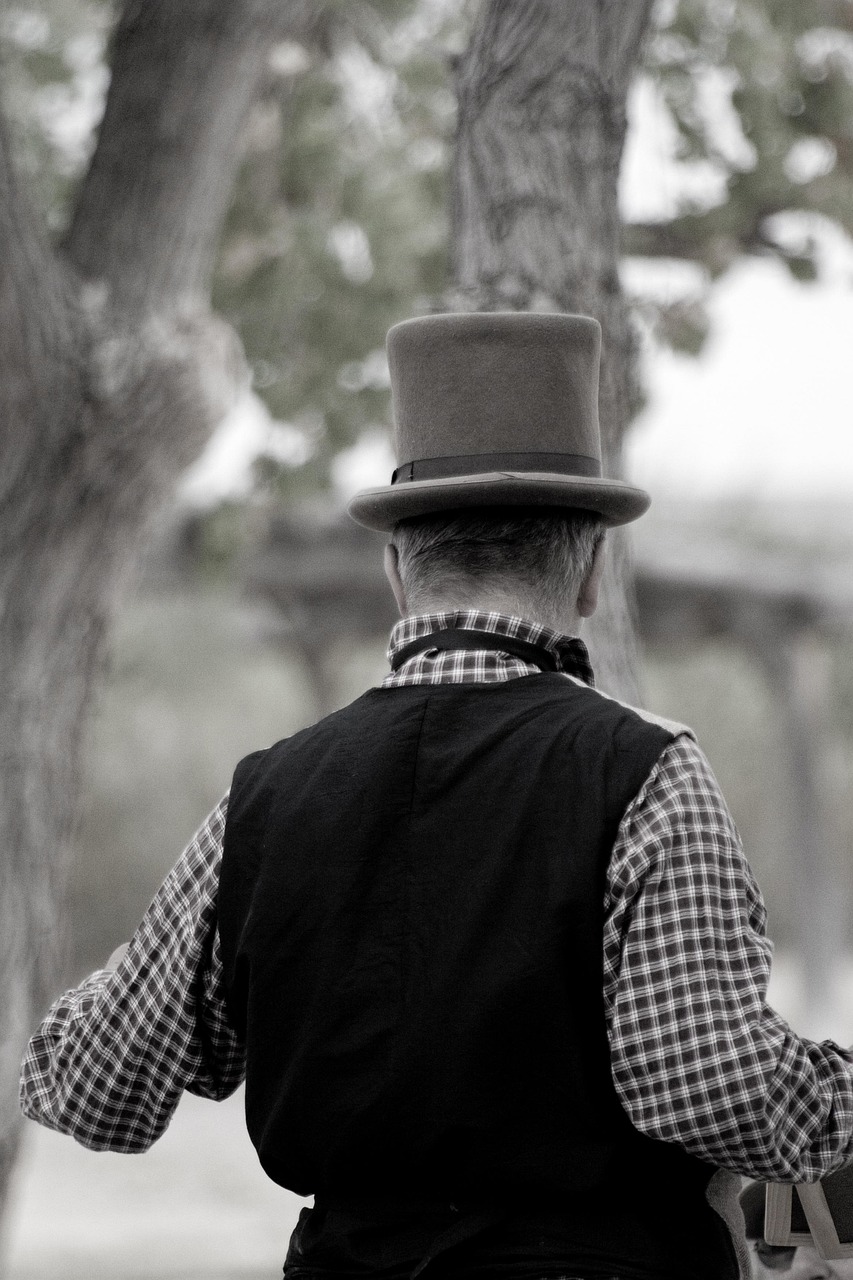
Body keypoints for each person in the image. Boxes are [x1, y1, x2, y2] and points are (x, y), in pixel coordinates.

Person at [20, 312, 853, 1280]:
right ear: (592, 567)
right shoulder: (646, 774)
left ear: (394, 567)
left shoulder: (264, 798)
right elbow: (701, 1084)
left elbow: (94, 1092)